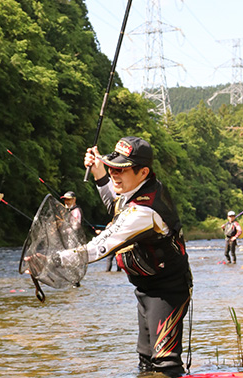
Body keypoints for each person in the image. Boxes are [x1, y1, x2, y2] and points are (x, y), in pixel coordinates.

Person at [79, 136, 193, 376]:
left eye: (121, 170)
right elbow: (115, 203)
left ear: (143, 172)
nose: (114, 175)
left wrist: (53, 261)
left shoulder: (144, 210)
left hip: (168, 291)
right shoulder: (136, 190)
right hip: (146, 289)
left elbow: (98, 246)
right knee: (146, 361)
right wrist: (100, 172)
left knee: (165, 364)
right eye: (112, 167)